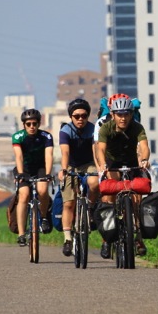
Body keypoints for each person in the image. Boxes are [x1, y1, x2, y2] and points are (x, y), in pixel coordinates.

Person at [95, 95, 151, 258]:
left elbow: (144, 147)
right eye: (119, 114)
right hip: (113, 163)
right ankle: (107, 240)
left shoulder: (137, 128)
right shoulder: (106, 128)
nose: (123, 118)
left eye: (126, 114)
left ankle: (139, 237)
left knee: (137, 199)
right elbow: (100, 149)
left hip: (132, 162)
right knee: (109, 198)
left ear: (131, 114)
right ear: (112, 115)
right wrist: (102, 164)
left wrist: (145, 159)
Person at [58, 98, 100, 257]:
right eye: (76, 116)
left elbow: (96, 151)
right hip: (71, 165)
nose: (80, 119)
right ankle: (67, 239)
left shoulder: (93, 129)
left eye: (84, 115)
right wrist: (63, 169)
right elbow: (65, 153)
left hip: (89, 163)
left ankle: (90, 207)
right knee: (68, 203)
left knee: (95, 183)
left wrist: (100, 168)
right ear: (71, 117)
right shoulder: (65, 131)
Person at [12, 108, 54, 246]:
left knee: (42, 190)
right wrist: (20, 173)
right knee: (24, 194)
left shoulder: (46, 137)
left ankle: (43, 218)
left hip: (41, 167)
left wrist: (48, 174)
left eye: (34, 124)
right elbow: (18, 155)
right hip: (24, 168)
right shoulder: (18, 137)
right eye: (28, 124)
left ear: (39, 124)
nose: (32, 127)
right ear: (24, 125)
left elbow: (49, 155)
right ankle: (21, 234)